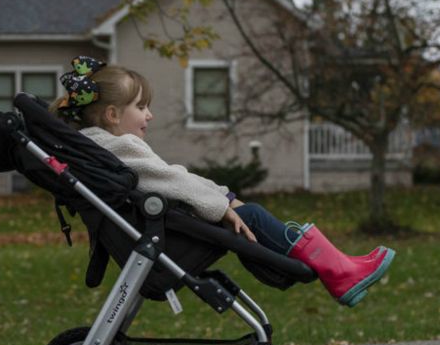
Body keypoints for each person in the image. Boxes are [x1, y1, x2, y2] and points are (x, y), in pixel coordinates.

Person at [52, 56, 395, 307]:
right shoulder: (121, 147)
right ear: (113, 115)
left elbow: (173, 177)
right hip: (167, 237)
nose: (149, 115)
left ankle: (338, 268)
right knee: (254, 217)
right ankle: (337, 271)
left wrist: (224, 197)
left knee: (247, 213)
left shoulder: (98, 146)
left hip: (157, 230)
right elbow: (170, 180)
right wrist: (221, 205)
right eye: (141, 106)